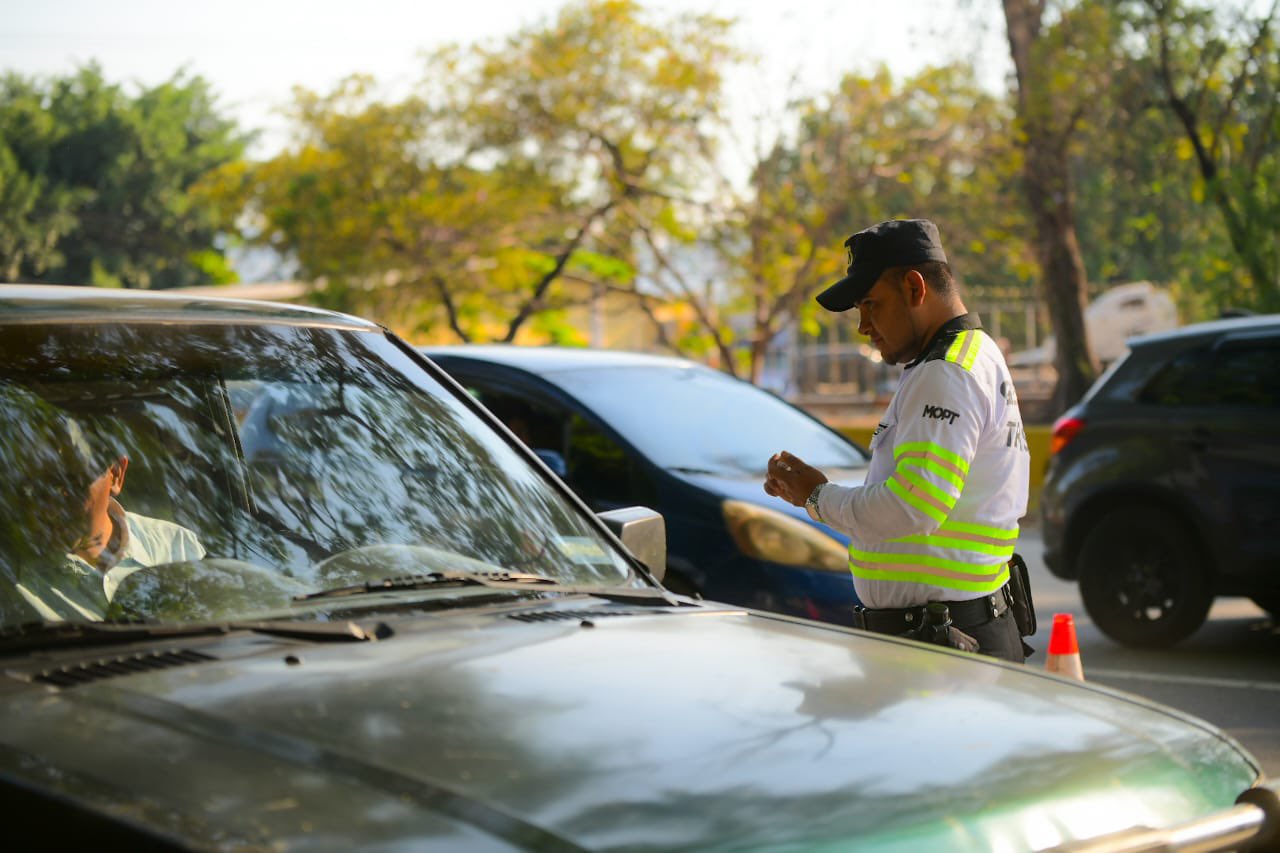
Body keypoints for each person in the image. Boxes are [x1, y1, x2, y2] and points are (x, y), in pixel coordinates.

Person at [764, 219, 1032, 662]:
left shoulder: (945, 371)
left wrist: (816, 497)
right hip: (960, 631)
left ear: (914, 287)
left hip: (945, 643)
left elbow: (914, 506)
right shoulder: (972, 354)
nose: (863, 326)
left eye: (871, 304)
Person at [14, 423, 206, 622]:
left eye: (72, 481)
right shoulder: (15, 579)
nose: (53, 500)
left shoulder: (178, 549)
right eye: (37, 486)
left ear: (116, 475)